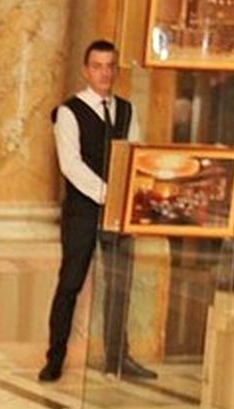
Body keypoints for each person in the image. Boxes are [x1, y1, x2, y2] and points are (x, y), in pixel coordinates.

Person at [38, 39, 157, 383]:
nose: (104, 73)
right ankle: (55, 358)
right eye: (97, 66)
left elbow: (134, 156)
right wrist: (108, 194)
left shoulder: (127, 111)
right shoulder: (68, 112)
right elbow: (70, 165)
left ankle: (117, 359)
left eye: (110, 66)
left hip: (119, 211)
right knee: (70, 283)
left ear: (116, 71)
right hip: (82, 211)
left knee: (119, 285)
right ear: (86, 71)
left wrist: (127, 197)